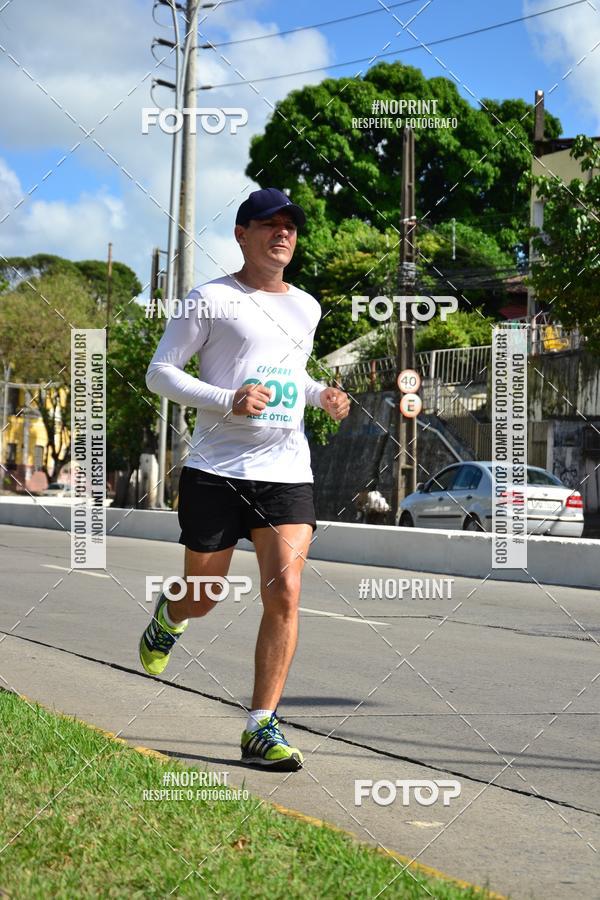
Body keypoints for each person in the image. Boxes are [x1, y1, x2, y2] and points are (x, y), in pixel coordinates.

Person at [139, 187, 350, 771]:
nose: (283, 234)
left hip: (286, 471)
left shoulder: (306, 307)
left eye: (290, 227)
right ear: (241, 234)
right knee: (203, 595)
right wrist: (227, 399)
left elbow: (294, 377)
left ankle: (261, 724)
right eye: (269, 225)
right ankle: (170, 617)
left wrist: (322, 394)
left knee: (285, 591)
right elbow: (160, 373)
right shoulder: (210, 299)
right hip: (216, 470)